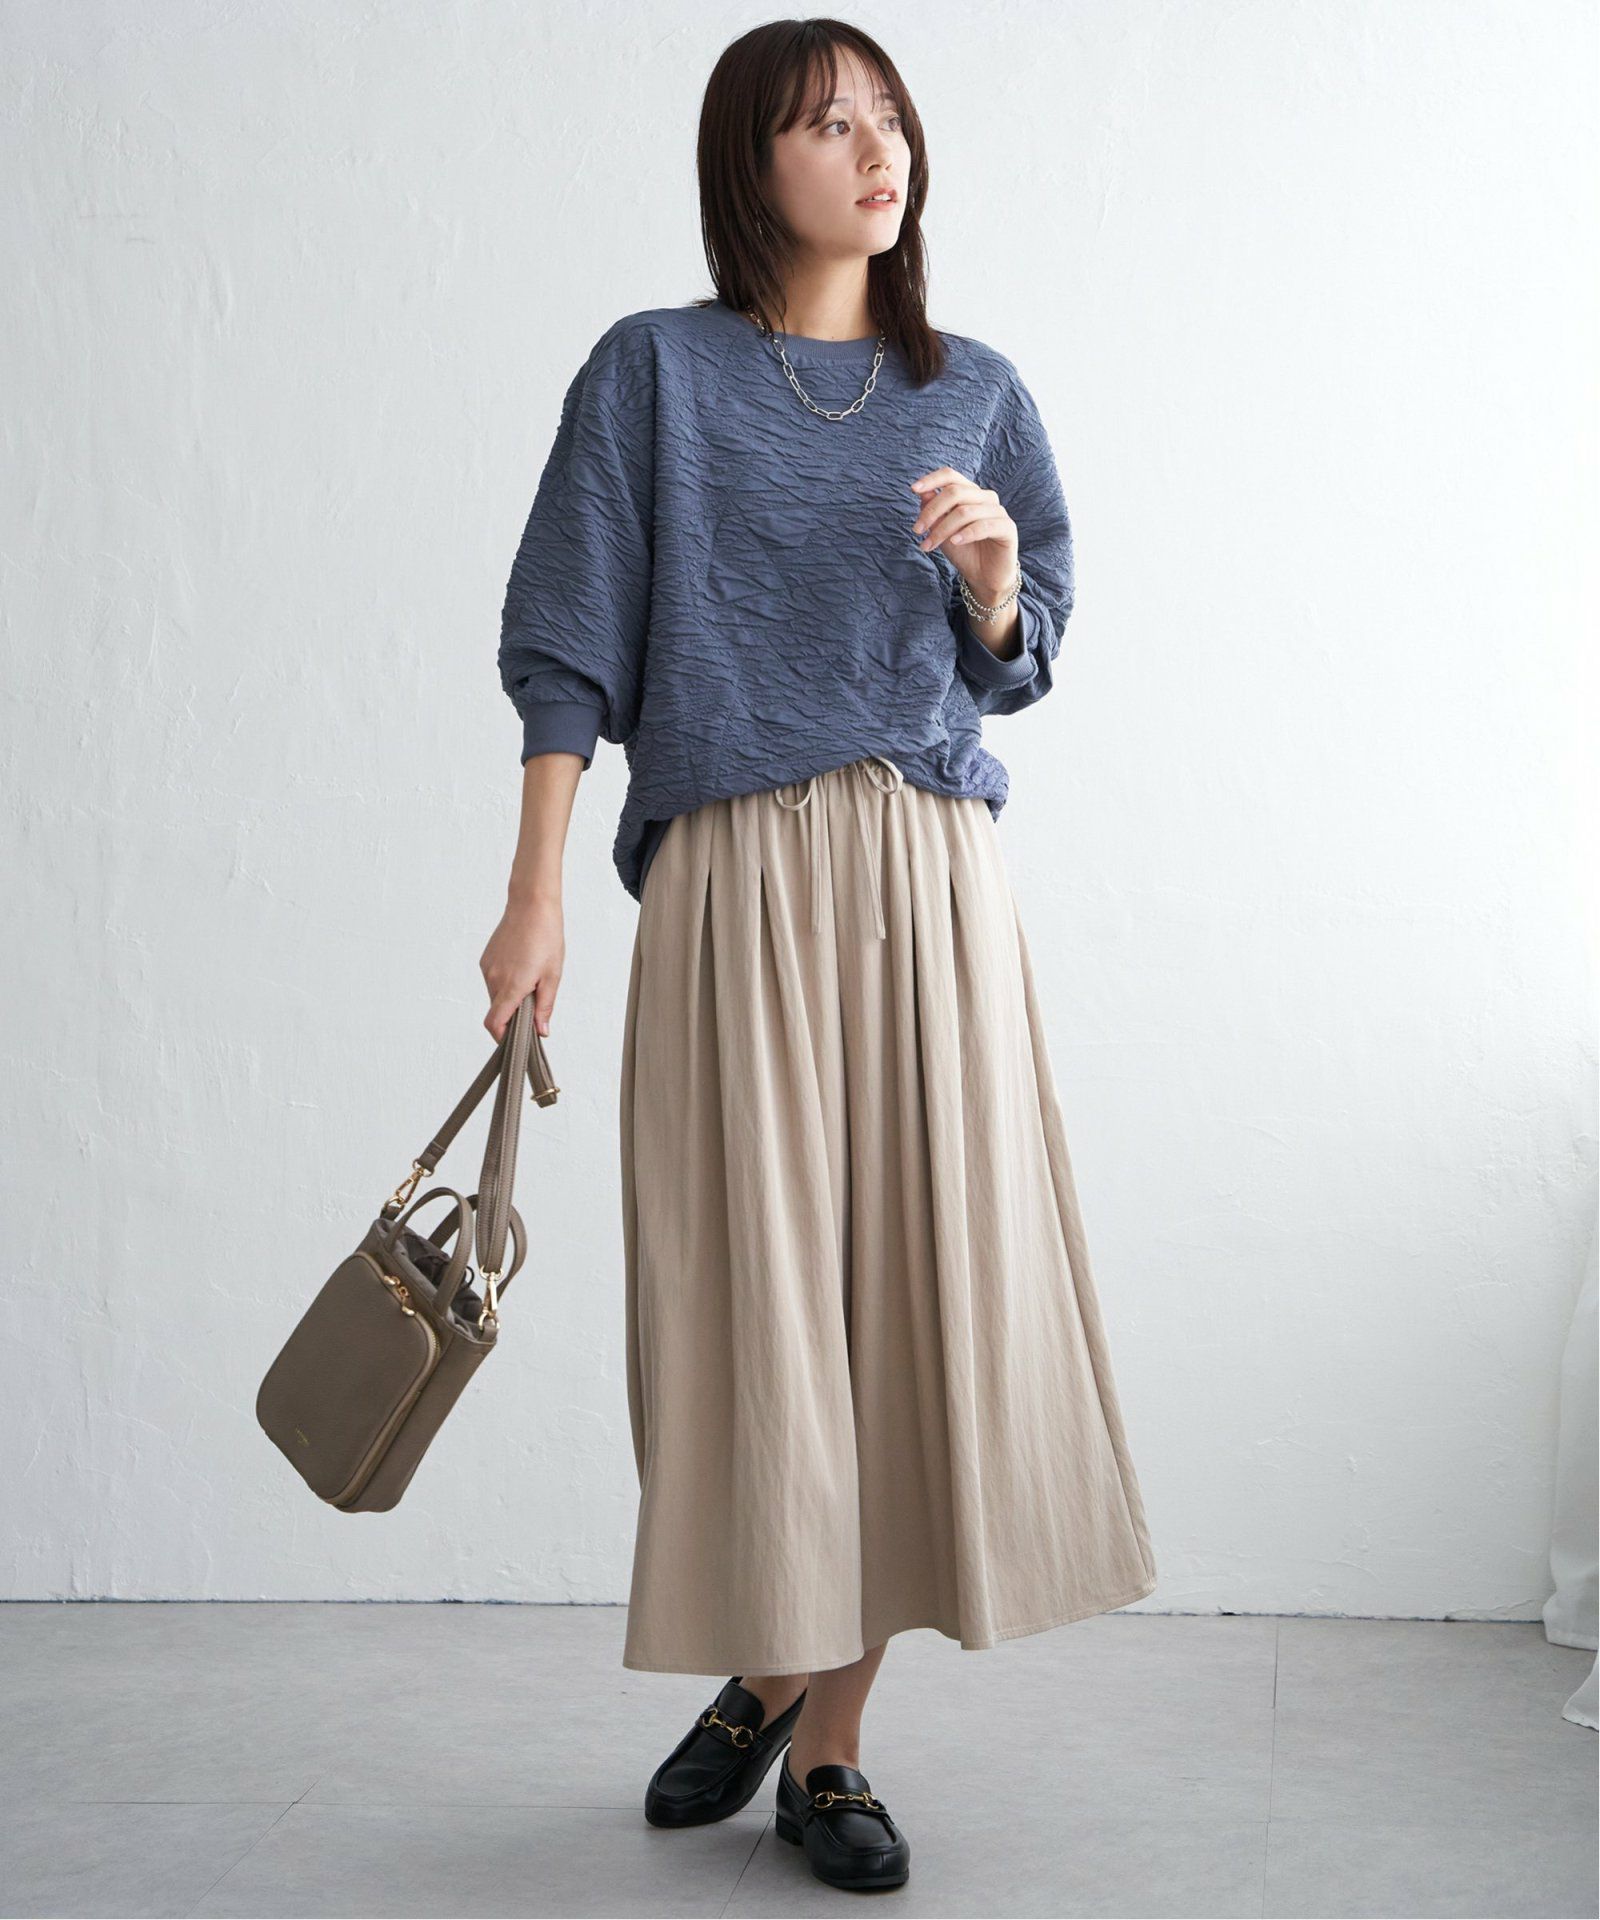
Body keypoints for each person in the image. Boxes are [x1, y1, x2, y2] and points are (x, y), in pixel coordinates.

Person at [479, 19, 1157, 1895]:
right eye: (824, 122)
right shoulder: (655, 372)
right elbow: (569, 643)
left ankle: (826, 1741)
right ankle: (769, 1658)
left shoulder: (977, 390)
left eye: (888, 116)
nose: (875, 149)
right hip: (729, 876)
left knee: (905, 1301)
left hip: (928, 879)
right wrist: (536, 893)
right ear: (746, 165)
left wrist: (996, 585)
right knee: (753, 1301)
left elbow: (1026, 648)